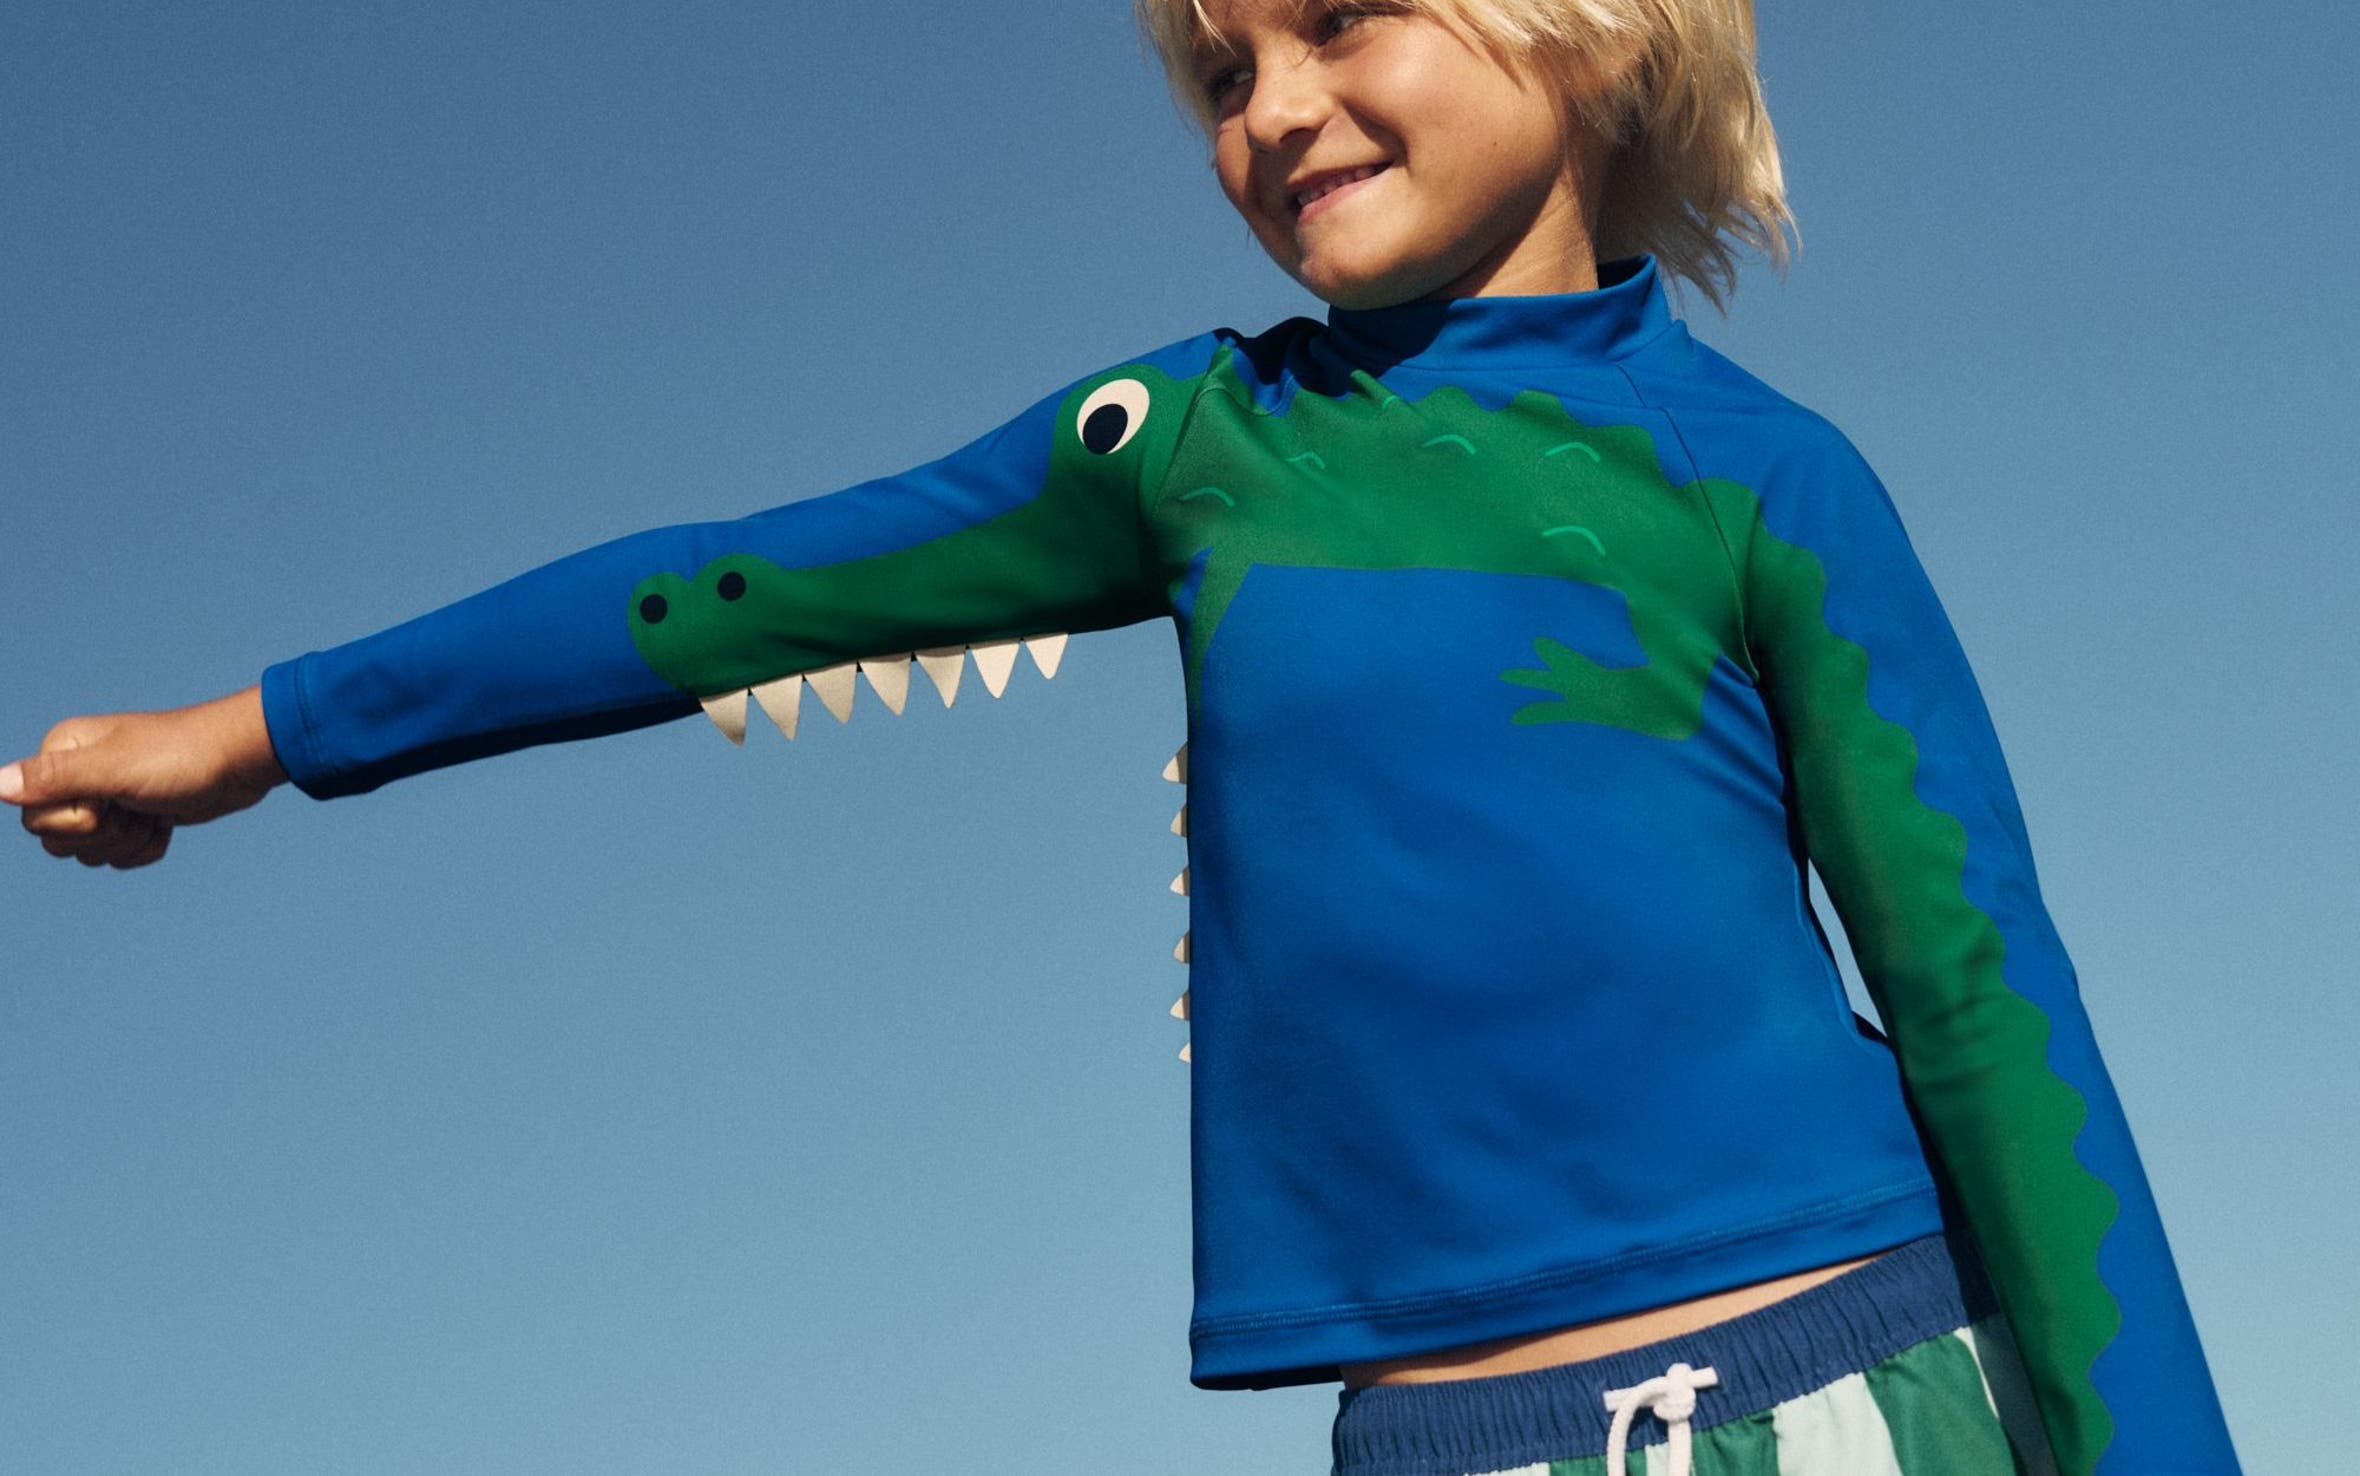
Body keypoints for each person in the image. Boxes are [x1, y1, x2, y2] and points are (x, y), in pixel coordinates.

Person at [3, 1, 2243, 1472]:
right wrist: (265, 730)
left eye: (1332, 21)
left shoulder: (1769, 478)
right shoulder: (1185, 443)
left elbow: (1986, 1011)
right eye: (1216, 72)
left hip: (1850, 1373)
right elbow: (744, 586)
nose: (1265, 109)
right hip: (1427, 1437)